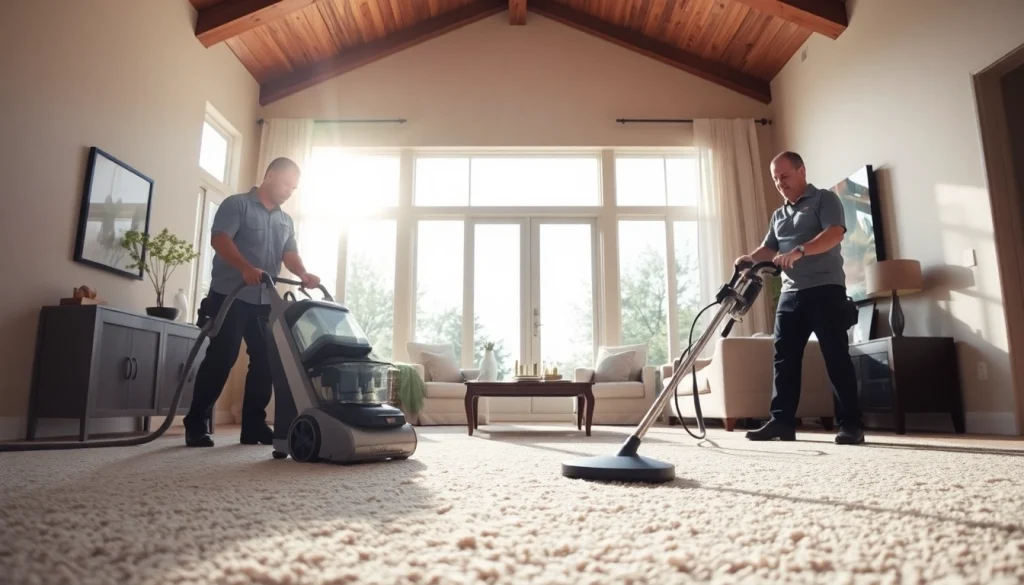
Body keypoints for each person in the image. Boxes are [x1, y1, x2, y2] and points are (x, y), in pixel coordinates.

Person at [183, 157, 320, 447]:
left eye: (294, 188)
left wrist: (303, 273)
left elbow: (289, 254)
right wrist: (245, 267)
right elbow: (220, 239)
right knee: (223, 357)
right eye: (287, 184)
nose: (289, 191)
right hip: (230, 295)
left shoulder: (285, 220)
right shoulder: (237, 205)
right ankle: (196, 423)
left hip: (264, 300)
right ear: (269, 175)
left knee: (267, 359)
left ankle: (254, 426)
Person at [736, 151, 864, 445]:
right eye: (775, 179)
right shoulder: (779, 214)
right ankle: (781, 422)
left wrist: (800, 251)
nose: (780, 183)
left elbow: (834, 234)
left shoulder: (824, 200)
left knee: (836, 357)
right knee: (785, 359)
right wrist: (749, 259)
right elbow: (769, 248)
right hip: (790, 295)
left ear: (801, 171)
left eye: (784, 176)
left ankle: (851, 425)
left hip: (826, 290)